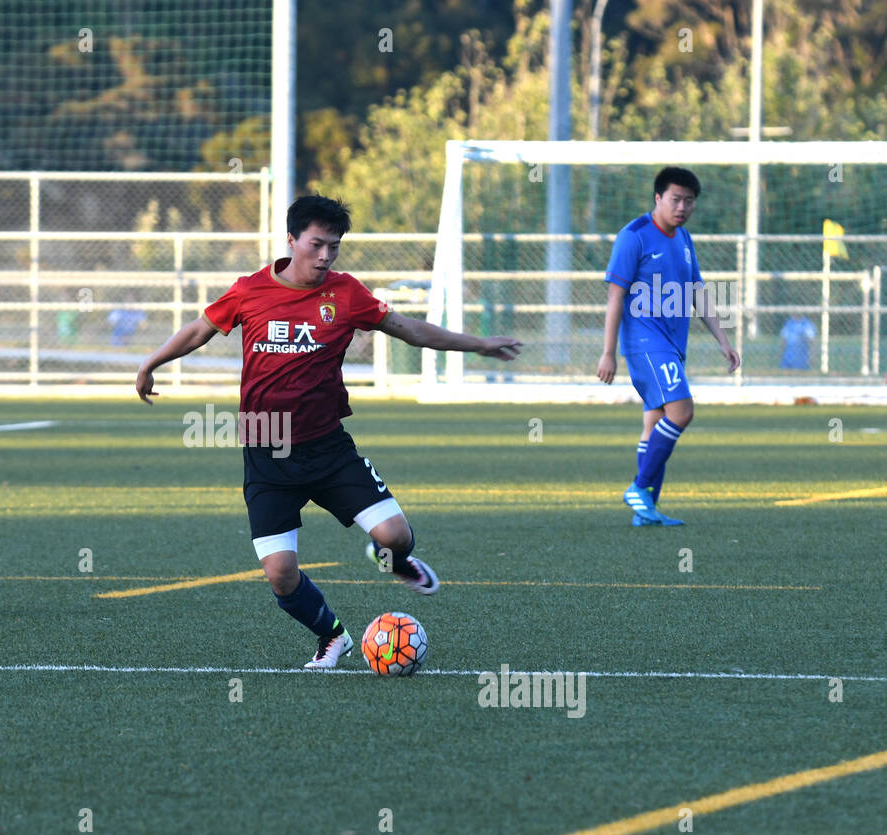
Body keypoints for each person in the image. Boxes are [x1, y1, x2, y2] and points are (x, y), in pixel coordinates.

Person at [135, 195, 521, 668]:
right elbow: (200, 329)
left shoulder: (346, 293)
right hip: (265, 448)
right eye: (317, 245)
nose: (325, 256)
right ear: (292, 240)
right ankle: (331, 635)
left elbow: (409, 330)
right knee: (280, 573)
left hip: (327, 447)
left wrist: (480, 345)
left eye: (334, 247)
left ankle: (395, 564)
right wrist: (152, 362)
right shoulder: (248, 291)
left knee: (395, 536)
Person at [598, 167, 741, 526]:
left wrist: (723, 340)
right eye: (675, 199)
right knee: (682, 412)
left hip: (671, 345)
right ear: (658, 198)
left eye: (689, 201)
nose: (682, 207)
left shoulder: (684, 239)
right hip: (645, 343)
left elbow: (697, 293)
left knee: (655, 423)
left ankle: (645, 511)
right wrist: (608, 352)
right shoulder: (634, 236)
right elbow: (615, 297)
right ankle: (639, 487)